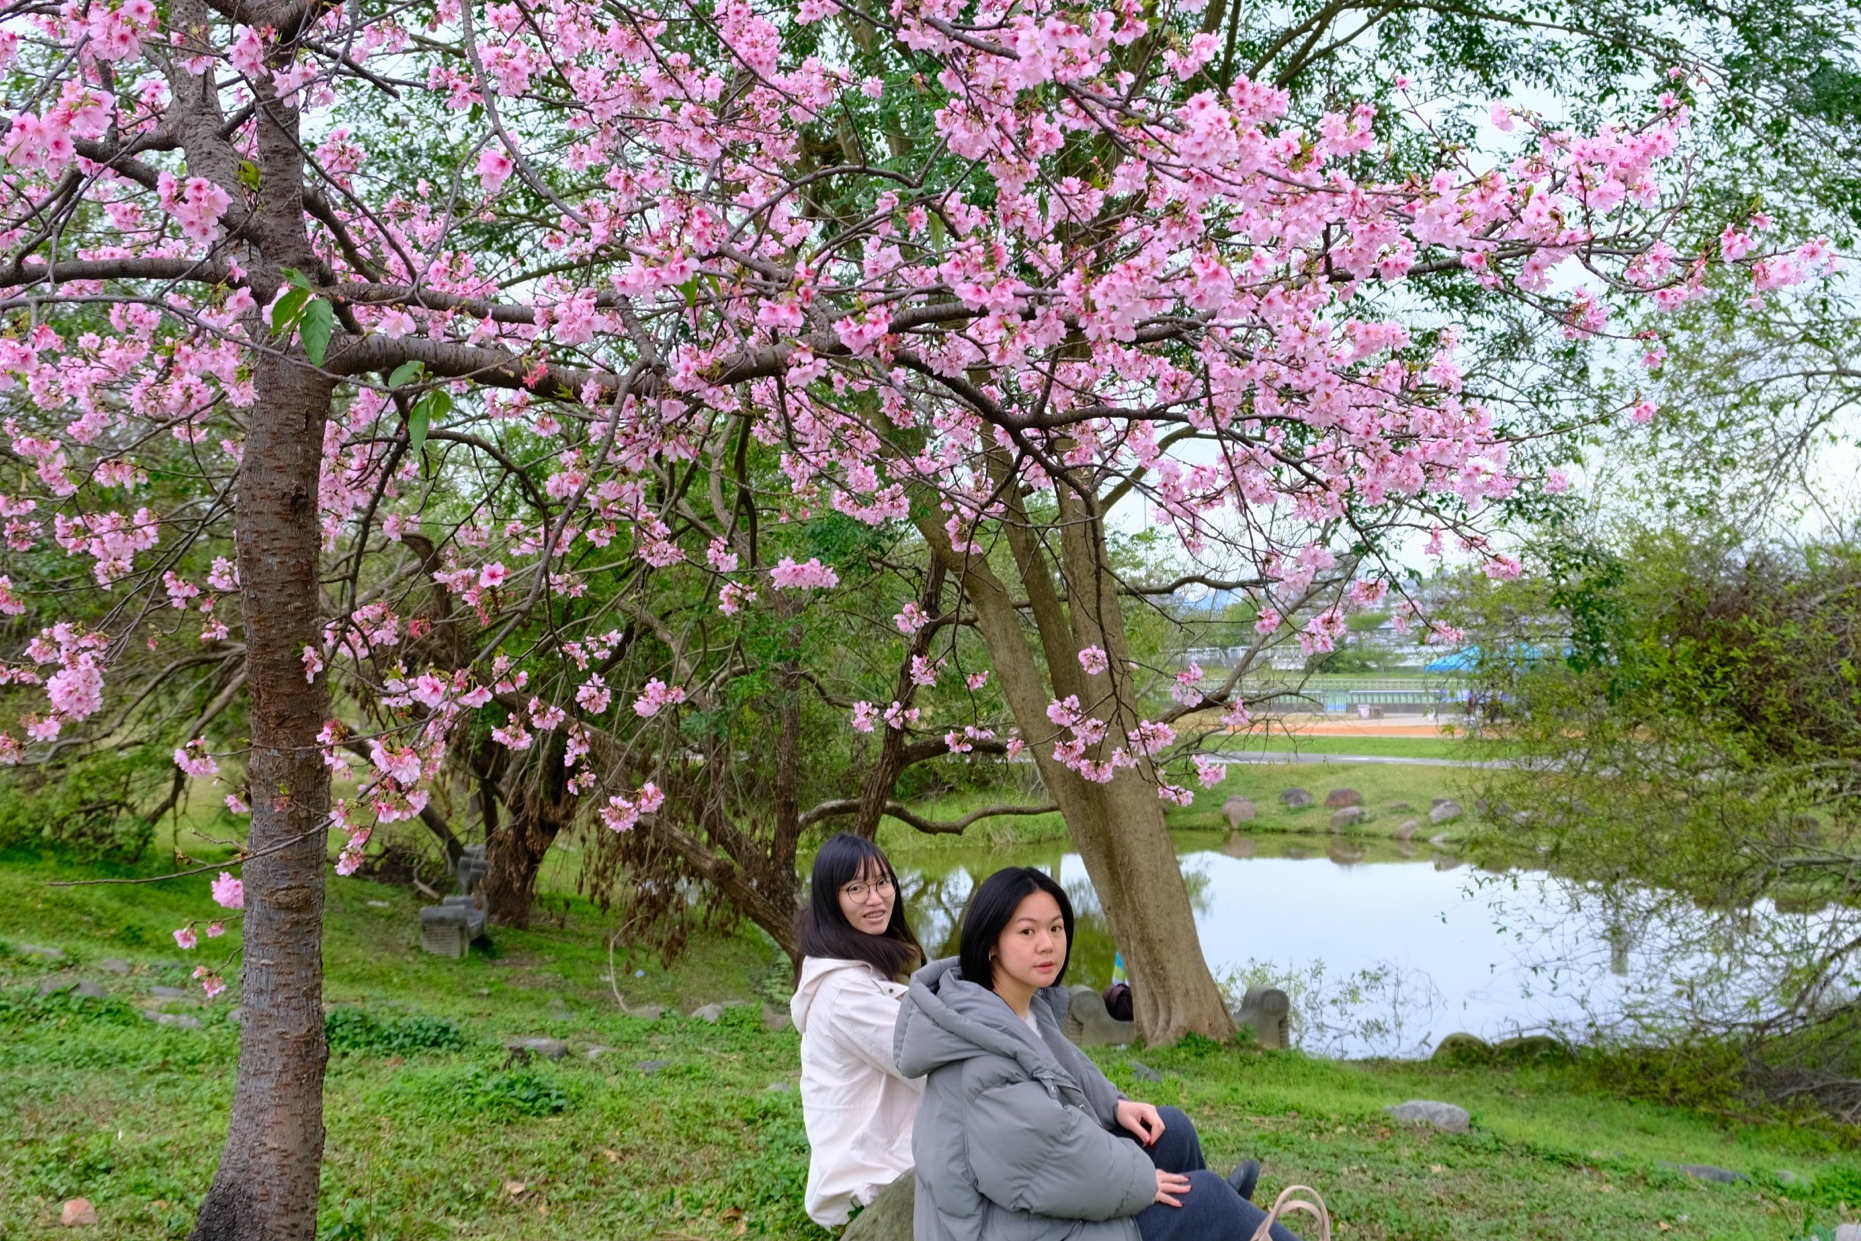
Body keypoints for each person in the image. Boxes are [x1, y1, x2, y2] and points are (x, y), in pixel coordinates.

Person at [894, 866, 1299, 1241]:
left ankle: (1214, 1227)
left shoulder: (1018, 1007)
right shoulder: (980, 1058)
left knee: (1169, 1128)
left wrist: (1115, 1104)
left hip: (1030, 1197)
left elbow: (1066, 1069)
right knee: (1207, 1199)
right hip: (1003, 1226)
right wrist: (1143, 1180)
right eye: (1027, 932)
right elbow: (1056, 1154)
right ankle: (1218, 1220)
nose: (1048, 944)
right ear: (990, 945)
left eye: (1055, 928)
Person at [791, 832, 928, 1227]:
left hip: (886, 1151)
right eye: (856, 888)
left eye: (883, 882)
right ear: (830, 902)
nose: (876, 898)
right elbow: (921, 1060)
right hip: (868, 1179)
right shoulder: (844, 991)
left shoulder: (859, 970)